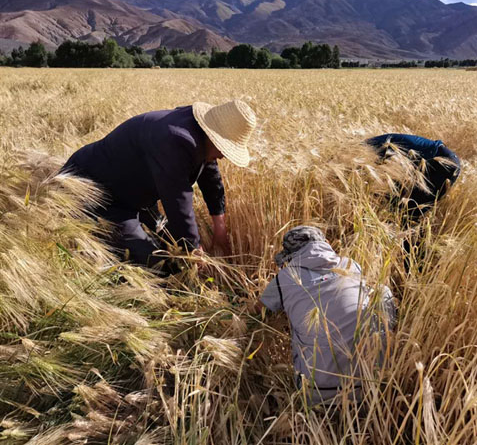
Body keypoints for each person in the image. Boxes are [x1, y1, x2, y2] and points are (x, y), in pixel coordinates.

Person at [61, 100, 257, 273]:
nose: (223, 156)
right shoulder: (176, 139)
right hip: (98, 192)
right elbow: (178, 199)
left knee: (168, 239)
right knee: (157, 266)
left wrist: (219, 228)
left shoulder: (201, 132)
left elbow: (210, 176)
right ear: (213, 136)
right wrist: (194, 251)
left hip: (133, 189)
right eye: (223, 149)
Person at [257, 226, 397, 406]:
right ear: (327, 244)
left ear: (290, 256)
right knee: (381, 292)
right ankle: (386, 366)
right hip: (370, 387)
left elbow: (258, 312)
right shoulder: (350, 265)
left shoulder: (284, 278)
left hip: (315, 392)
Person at [365, 133, 461, 222]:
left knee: (409, 209)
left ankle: (406, 236)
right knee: (408, 208)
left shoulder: (374, 147)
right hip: (448, 160)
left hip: (443, 162)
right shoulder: (379, 143)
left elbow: (387, 174)